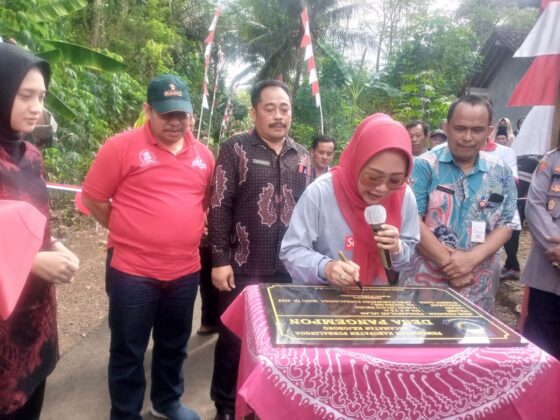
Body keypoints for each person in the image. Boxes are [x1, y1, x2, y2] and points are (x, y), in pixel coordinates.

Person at [82, 74, 214, 420]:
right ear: (147, 110)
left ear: (191, 116)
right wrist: (127, 229)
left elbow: (204, 203)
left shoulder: (204, 156)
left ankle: (166, 403)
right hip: (132, 272)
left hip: (185, 271)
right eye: (166, 113)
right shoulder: (121, 147)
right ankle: (125, 413)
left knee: (174, 344)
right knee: (128, 349)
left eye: (182, 115)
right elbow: (94, 198)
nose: (175, 122)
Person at [208, 79, 310, 419]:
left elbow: (311, 211)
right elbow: (220, 204)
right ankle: (225, 405)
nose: (278, 116)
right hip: (241, 264)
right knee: (234, 341)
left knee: (280, 344)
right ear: (254, 112)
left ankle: (265, 405)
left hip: (288, 267)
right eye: (270, 108)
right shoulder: (236, 148)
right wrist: (219, 258)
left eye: (284, 109)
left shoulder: (302, 156)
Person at [0, 42, 79, 419]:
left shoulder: (31, 155)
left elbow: (33, 222)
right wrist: (32, 262)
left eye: (42, 96)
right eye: (25, 95)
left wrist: (55, 246)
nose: (37, 107)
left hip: (35, 322)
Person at [398, 95, 518, 312]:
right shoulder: (424, 166)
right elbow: (411, 220)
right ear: (447, 127)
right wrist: (451, 264)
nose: (468, 137)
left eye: (477, 130)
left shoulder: (500, 172)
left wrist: (471, 260)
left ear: (489, 131)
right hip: (424, 283)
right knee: (416, 342)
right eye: (460, 128)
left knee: (473, 342)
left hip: (478, 285)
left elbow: (507, 224)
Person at [280, 113, 420, 286]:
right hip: (324, 303)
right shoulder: (321, 193)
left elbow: (409, 256)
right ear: (357, 163)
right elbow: (292, 250)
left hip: (377, 303)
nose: (382, 188)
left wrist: (397, 248)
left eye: (395, 180)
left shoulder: (404, 196)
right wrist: (327, 268)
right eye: (373, 177)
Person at [522, 148, 560, 359]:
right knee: (541, 351)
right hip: (547, 276)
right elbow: (535, 206)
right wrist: (556, 252)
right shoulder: (551, 161)